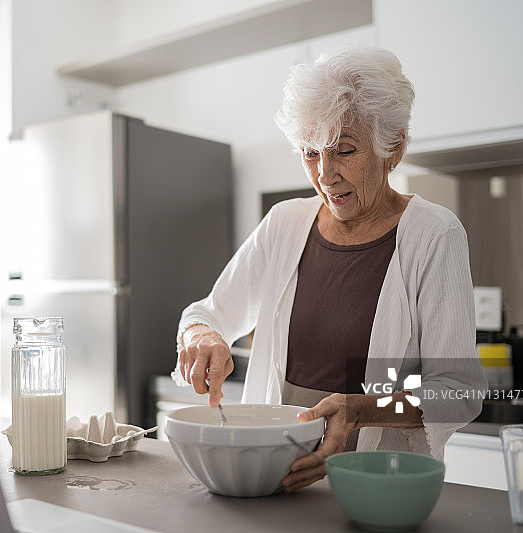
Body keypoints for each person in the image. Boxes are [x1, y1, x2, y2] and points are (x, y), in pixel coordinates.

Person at [173, 47, 486, 492]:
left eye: (344, 151)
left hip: (377, 489)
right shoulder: (284, 223)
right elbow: (205, 314)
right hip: (268, 479)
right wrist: (201, 336)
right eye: (310, 153)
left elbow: (456, 390)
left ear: (392, 147)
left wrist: (362, 409)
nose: (325, 175)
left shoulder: (433, 235)